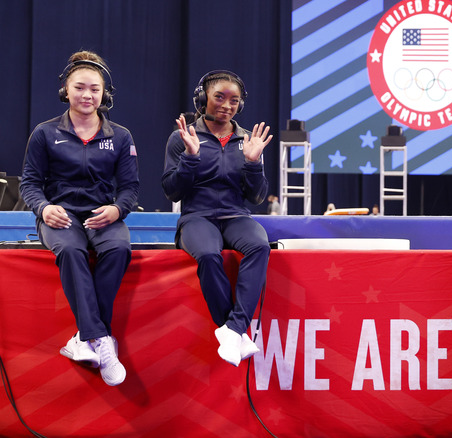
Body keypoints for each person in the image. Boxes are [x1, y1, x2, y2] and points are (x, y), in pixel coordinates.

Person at [20, 51, 139, 386]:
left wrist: (117, 210)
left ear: (105, 94)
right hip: (60, 215)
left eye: (95, 89)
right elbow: (29, 183)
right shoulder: (44, 133)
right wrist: (44, 208)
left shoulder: (121, 136)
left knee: (118, 249)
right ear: (65, 90)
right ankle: (101, 340)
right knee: (72, 252)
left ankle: (84, 339)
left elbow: (130, 188)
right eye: (80, 88)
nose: (88, 95)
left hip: (102, 215)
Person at [162, 70, 273, 366]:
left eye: (234, 100)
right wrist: (190, 157)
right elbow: (172, 192)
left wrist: (253, 163)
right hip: (197, 217)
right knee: (210, 256)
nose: (227, 105)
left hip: (236, 216)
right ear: (203, 99)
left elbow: (257, 197)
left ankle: (234, 329)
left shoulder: (247, 139)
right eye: (219, 97)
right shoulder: (182, 137)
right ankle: (234, 330)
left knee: (260, 246)